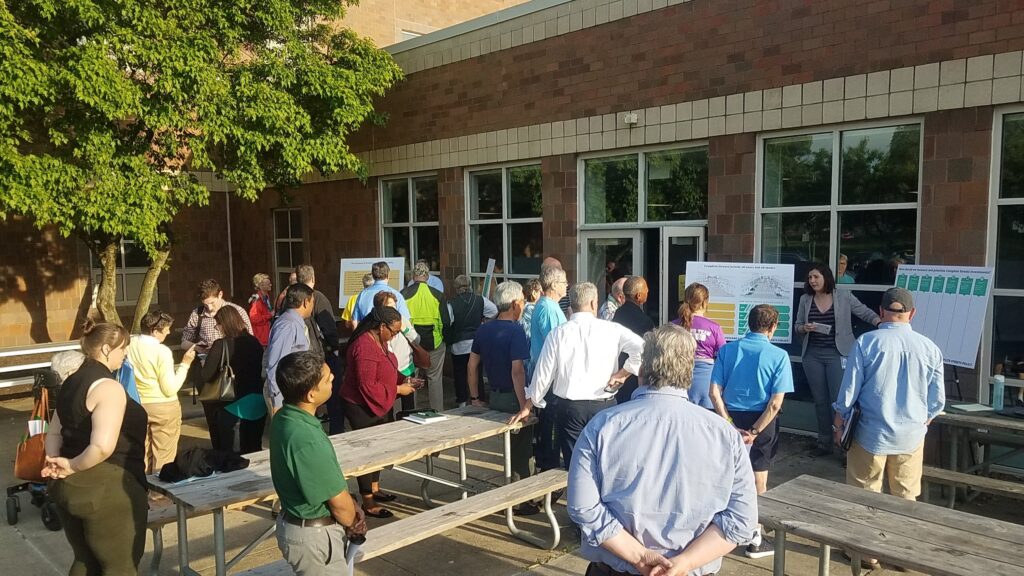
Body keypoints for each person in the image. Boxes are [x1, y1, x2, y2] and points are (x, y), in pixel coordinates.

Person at [568, 325, 758, 576]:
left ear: (642, 370)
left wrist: (639, 556)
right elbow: (742, 521)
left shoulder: (602, 427)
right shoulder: (726, 436)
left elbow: (583, 507)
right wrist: (684, 563)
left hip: (616, 569)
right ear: (689, 373)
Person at [43, 321, 148, 575]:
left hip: (68, 487)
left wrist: (56, 462)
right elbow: (102, 447)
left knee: (85, 560)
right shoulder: (107, 387)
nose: (125, 354)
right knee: (120, 567)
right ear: (105, 349)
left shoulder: (70, 382)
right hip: (106, 487)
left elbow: (54, 432)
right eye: (123, 348)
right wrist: (71, 466)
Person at [513, 283, 644, 468]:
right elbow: (643, 348)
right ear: (593, 303)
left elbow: (543, 375)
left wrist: (529, 404)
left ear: (571, 305)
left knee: (576, 465)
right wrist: (624, 372)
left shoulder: (558, 334)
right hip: (603, 405)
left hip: (570, 409)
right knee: (605, 463)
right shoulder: (613, 329)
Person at [833, 287, 944, 502]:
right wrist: (925, 418)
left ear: (881, 311)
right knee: (905, 497)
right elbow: (937, 399)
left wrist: (838, 424)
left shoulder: (866, 342)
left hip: (869, 432)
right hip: (911, 434)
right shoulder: (930, 348)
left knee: (863, 497)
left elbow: (849, 390)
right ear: (912, 313)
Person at [271, 351, 367, 576]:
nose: (333, 377)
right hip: (314, 537)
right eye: (326, 378)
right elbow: (339, 505)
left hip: (297, 526)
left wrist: (352, 505)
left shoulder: (284, 416)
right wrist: (352, 520)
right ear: (311, 394)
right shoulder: (306, 438)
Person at [709, 304, 793, 559]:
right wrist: (754, 432)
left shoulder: (727, 350)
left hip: (731, 419)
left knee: (724, 476)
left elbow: (714, 392)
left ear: (749, 323)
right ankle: (755, 538)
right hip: (762, 422)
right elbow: (775, 403)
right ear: (773, 327)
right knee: (759, 480)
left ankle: (716, 532)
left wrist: (729, 423)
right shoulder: (779, 356)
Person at [340, 306, 420, 518]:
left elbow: (387, 369)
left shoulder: (380, 341)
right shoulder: (364, 347)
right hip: (360, 406)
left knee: (379, 448)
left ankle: (375, 488)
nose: (395, 336)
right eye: (394, 331)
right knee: (367, 451)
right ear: (382, 326)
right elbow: (367, 385)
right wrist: (398, 390)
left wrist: (406, 379)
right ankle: (367, 500)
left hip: (377, 402)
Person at [796, 264, 880, 456]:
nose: (812, 281)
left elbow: (864, 312)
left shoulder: (843, 296)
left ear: (826, 277)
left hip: (838, 354)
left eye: (816, 277)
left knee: (839, 401)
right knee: (820, 401)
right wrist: (804, 328)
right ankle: (824, 442)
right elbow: (797, 325)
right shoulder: (805, 299)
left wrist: (880, 322)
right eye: (810, 278)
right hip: (812, 354)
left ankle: (843, 446)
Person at [467, 282, 536, 513]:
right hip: (513, 398)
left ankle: (516, 497)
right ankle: (520, 500)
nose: (523, 305)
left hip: (494, 396)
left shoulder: (484, 329)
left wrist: (475, 396)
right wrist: (524, 405)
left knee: (509, 448)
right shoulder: (516, 331)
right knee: (521, 451)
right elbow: (517, 370)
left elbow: (472, 365)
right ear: (515, 304)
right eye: (523, 301)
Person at [128, 310, 197, 473]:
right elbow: (169, 388)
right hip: (163, 405)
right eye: (166, 329)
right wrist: (185, 364)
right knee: (164, 455)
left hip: (138, 403)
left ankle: (143, 484)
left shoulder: (129, 344)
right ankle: (160, 488)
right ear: (154, 330)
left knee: (143, 453)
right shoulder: (162, 351)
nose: (168, 332)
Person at [200, 306, 266, 454]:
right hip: (258, 401)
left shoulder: (221, 344)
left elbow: (206, 375)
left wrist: (204, 363)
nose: (218, 328)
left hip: (233, 403)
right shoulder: (254, 341)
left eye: (218, 324)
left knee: (230, 454)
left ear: (225, 324)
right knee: (254, 449)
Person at [529, 264, 568, 471]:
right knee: (550, 425)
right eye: (564, 282)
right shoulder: (549, 309)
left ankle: (547, 461)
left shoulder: (547, 306)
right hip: (550, 379)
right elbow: (557, 346)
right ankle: (548, 467)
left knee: (548, 425)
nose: (567, 285)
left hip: (548, 376)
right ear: (554, 285)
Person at [401, 261, 452, 411]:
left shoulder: (404, 294)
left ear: (413, 276)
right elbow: (446, 322)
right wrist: (445, 340)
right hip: (435, 343)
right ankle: (437, 411)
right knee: (435, 379)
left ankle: (410, 412)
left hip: (411, 344)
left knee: (411, 379)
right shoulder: (438, 295)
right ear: (428, 276)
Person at [673, 283, 726, 410]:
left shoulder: (672, 326)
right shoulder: (714, 327)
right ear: (705, 302)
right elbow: (724, 356)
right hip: (706, 382)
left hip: (678, 378)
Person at [448, 274, 497, 406]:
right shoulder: (480, 300)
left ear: (456, 287)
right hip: (475, 343)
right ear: (470, 286)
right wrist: (484, 321)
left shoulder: (452, 304)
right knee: (476, 372)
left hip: (458, 344)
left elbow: (449, 321)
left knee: (460, 374)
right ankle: (479, 399)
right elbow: (494, 311)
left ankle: (462, 401)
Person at [265, 283, 315, 414]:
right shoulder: (288, 325)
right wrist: (277, 401)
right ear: (306, 302)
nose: (313, 306)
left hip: (292, 391)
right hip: (283, 394)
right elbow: (274, 363)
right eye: (312, 302)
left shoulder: (296, 323)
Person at [374, 290, 422, 412]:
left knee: (409, 408)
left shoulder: (402, 319)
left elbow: (417, 339)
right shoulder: (378, 327)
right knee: (392, 407)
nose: (393, 310)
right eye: (389, 306)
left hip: (407, 368)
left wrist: (405, 329)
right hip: (390, 372)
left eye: (394, 306)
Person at [611, 276, 655, 404]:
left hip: (616, 369)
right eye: (646, 290)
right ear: (638, 296)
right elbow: (648, 351)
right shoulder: (644, 321)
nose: (648, 292)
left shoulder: (617, 314)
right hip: (635, 375)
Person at [182, 279, 253, 354]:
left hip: (233, 356)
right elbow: (184, 343)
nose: (209, 308)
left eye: (212, 303)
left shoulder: (237, 311)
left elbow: (250, 339)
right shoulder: (197, 314)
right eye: (205, 304)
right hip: (206, 357)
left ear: (220, 294)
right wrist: (199, 348)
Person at [296, 264, 340, 362]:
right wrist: (335, 347)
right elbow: (328, 326)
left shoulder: (289, 297)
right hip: (316, 352)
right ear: (313, 278)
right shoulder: (318, 298)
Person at [248, 273, 275, 347]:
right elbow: (254, 319)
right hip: (260, 337)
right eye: (268, 283)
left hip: (266, 335)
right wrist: (269, 315)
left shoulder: (266, 297)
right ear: (261, 286)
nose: (271, 285)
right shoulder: (257, 301)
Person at [519, 278, 542, 342]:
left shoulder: (525, 306)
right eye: (541, 292)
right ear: (534, 293)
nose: (543, 294)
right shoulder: (531, 309)